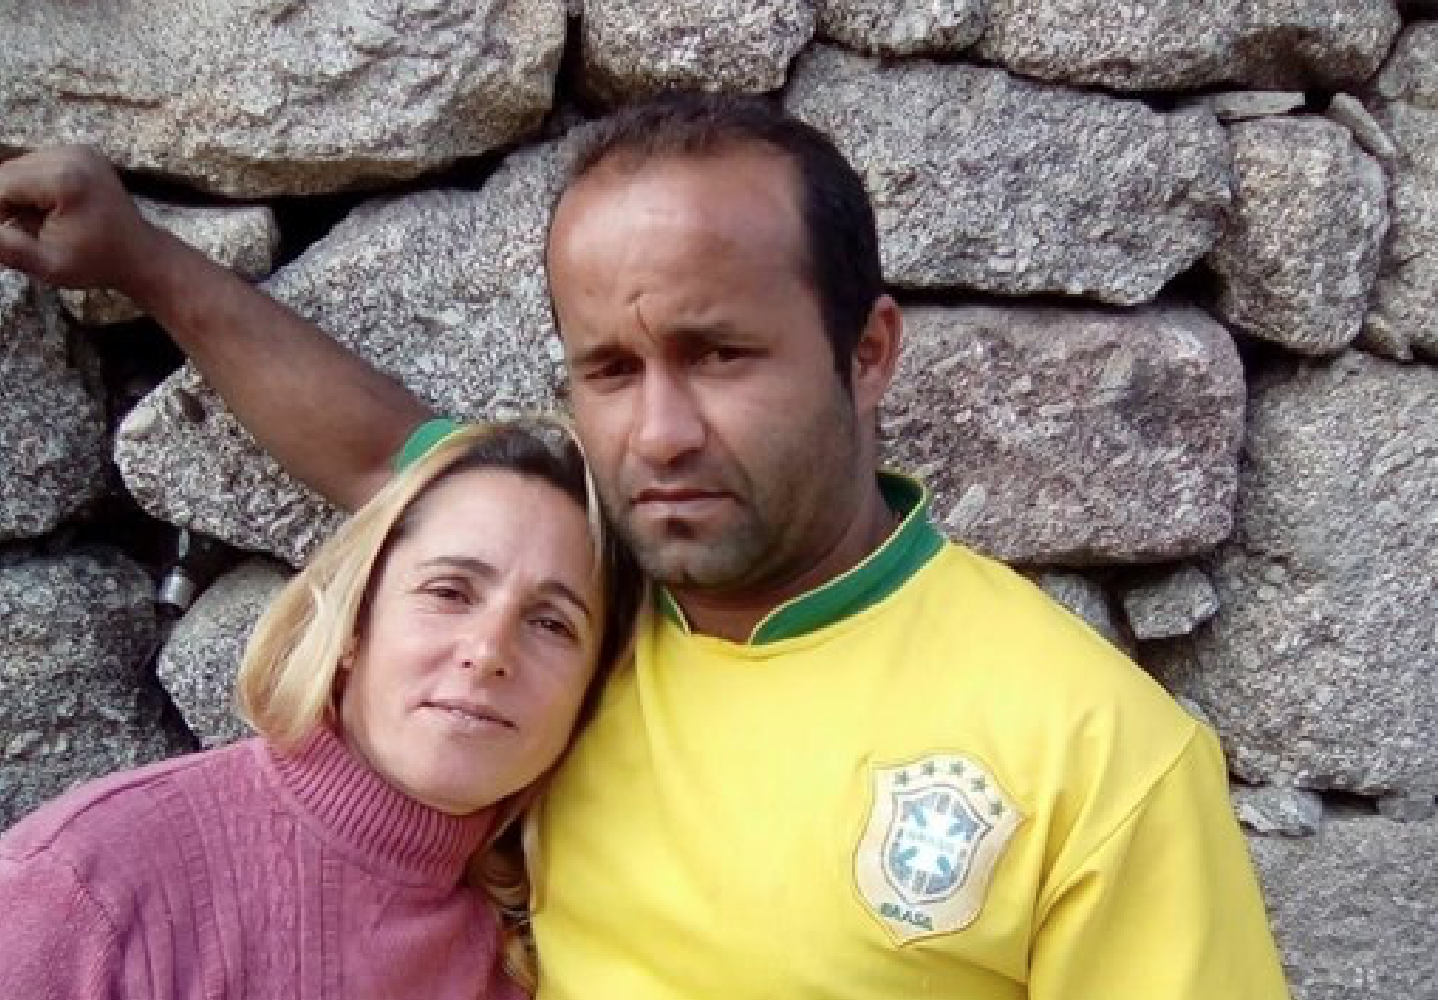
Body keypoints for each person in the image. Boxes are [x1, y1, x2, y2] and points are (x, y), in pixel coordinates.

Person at [0, 93, 1291, 998]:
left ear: (867, 352)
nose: (659, 433)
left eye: (719, 355)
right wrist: (140, 257)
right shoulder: (577, 605)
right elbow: (389, 462)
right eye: (610, 371)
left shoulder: (1098, 756)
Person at [0, 421, 642, 999]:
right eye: (449, 592)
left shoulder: (539, 951)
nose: (489, 651)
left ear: (587, 693)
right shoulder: (90, 882)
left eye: (552, 623)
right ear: (355, 623)